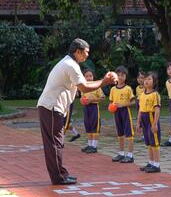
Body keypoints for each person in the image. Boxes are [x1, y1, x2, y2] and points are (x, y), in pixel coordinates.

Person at [37, 38, 117, 185]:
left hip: (50, 107)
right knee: (55, 143)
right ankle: (59, 177)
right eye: (86, 52)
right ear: (77, 52)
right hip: (52, 107)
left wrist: (102, 80)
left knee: (55, 142)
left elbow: (84, 84)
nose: (87, 55)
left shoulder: (70, 63)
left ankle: (60, 175)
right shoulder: (70, 65)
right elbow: (85, 88)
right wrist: (105, 82)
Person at [110, 66, 136, 163]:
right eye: (118, 75)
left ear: (126, 77)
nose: (120, 77)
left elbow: (133, 102)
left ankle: (130, 155)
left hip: (125, 112)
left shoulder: (128, 89)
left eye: (123, 75)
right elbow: (111, 102)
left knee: (129, 134)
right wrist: (111, 107)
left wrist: (123, 104)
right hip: (117, 113)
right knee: (120, 134)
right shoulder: (113, 89)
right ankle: (121, 153)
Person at [137, 73, 162, 173]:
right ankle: (151, 162)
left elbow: (157, 109)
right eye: (145, 79)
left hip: (151, 118)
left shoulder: (155, 94)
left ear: (154, 82)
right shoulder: (142, 94)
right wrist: (138, 122)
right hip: (144, 118)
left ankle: (157, 165)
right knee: (148, 142)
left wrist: (155, 124)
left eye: (149, 79)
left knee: (154, 143)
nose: (146, 81)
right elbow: (140, 110)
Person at [80, 69, 105, 154]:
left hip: (94, 107)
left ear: (93, 77)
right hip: (86, 108)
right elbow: (82, 97)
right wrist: (81, 100)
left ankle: (94, 146)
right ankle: (89, 145)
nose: (88, 77)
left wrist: (92, 99)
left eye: (90, 76)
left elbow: (102, 98)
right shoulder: (84, 87)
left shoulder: (97, 86)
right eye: (86, 76)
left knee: (95, 126)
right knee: (88, 125)